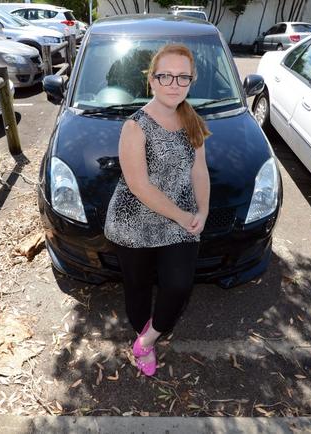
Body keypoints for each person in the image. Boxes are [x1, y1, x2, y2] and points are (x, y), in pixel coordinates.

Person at [104, 44, 211, 376]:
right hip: (133, 223)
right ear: (152, 80)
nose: (174, 84)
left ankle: (147, 340)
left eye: (182, 77)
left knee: (178, 286)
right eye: (165, 75)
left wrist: (203, 211)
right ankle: (143, 339)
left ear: (191, 82)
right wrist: (183, 215)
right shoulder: (135, 126)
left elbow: (199, 170)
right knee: (137, 287)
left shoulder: (191, 119)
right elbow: (139, 186)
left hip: (177, 221)